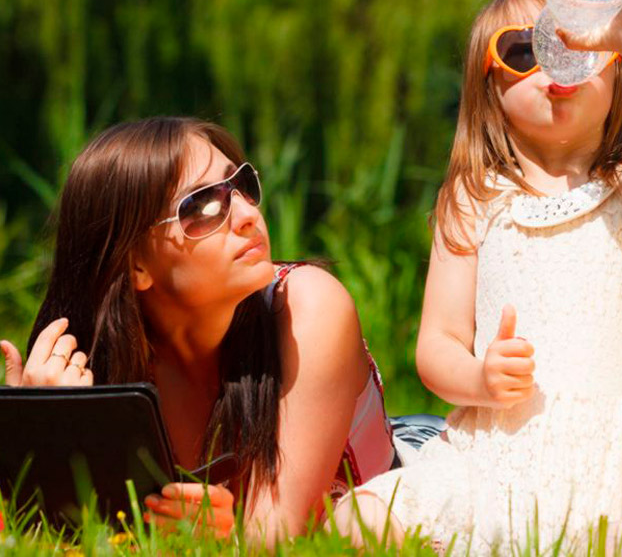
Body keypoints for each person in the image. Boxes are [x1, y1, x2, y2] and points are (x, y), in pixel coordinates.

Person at [334, 0, 622, 552]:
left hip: (615, 480)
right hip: (489, 463)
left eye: (580, 42)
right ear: (488, 84)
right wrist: (479, 377)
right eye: (525, 49)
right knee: (358, 520)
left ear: (616, 68)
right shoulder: (475, 199)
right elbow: (437, 344)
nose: (557, 60)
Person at [0, 117, 400, 545]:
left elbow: (272, 540)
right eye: (203, 206)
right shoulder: (96, 362)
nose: (248, 214)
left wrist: (228, 536)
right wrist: (47, 435)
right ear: (136, 264)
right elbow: (57, 536)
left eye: (242, 186)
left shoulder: (310, 309)